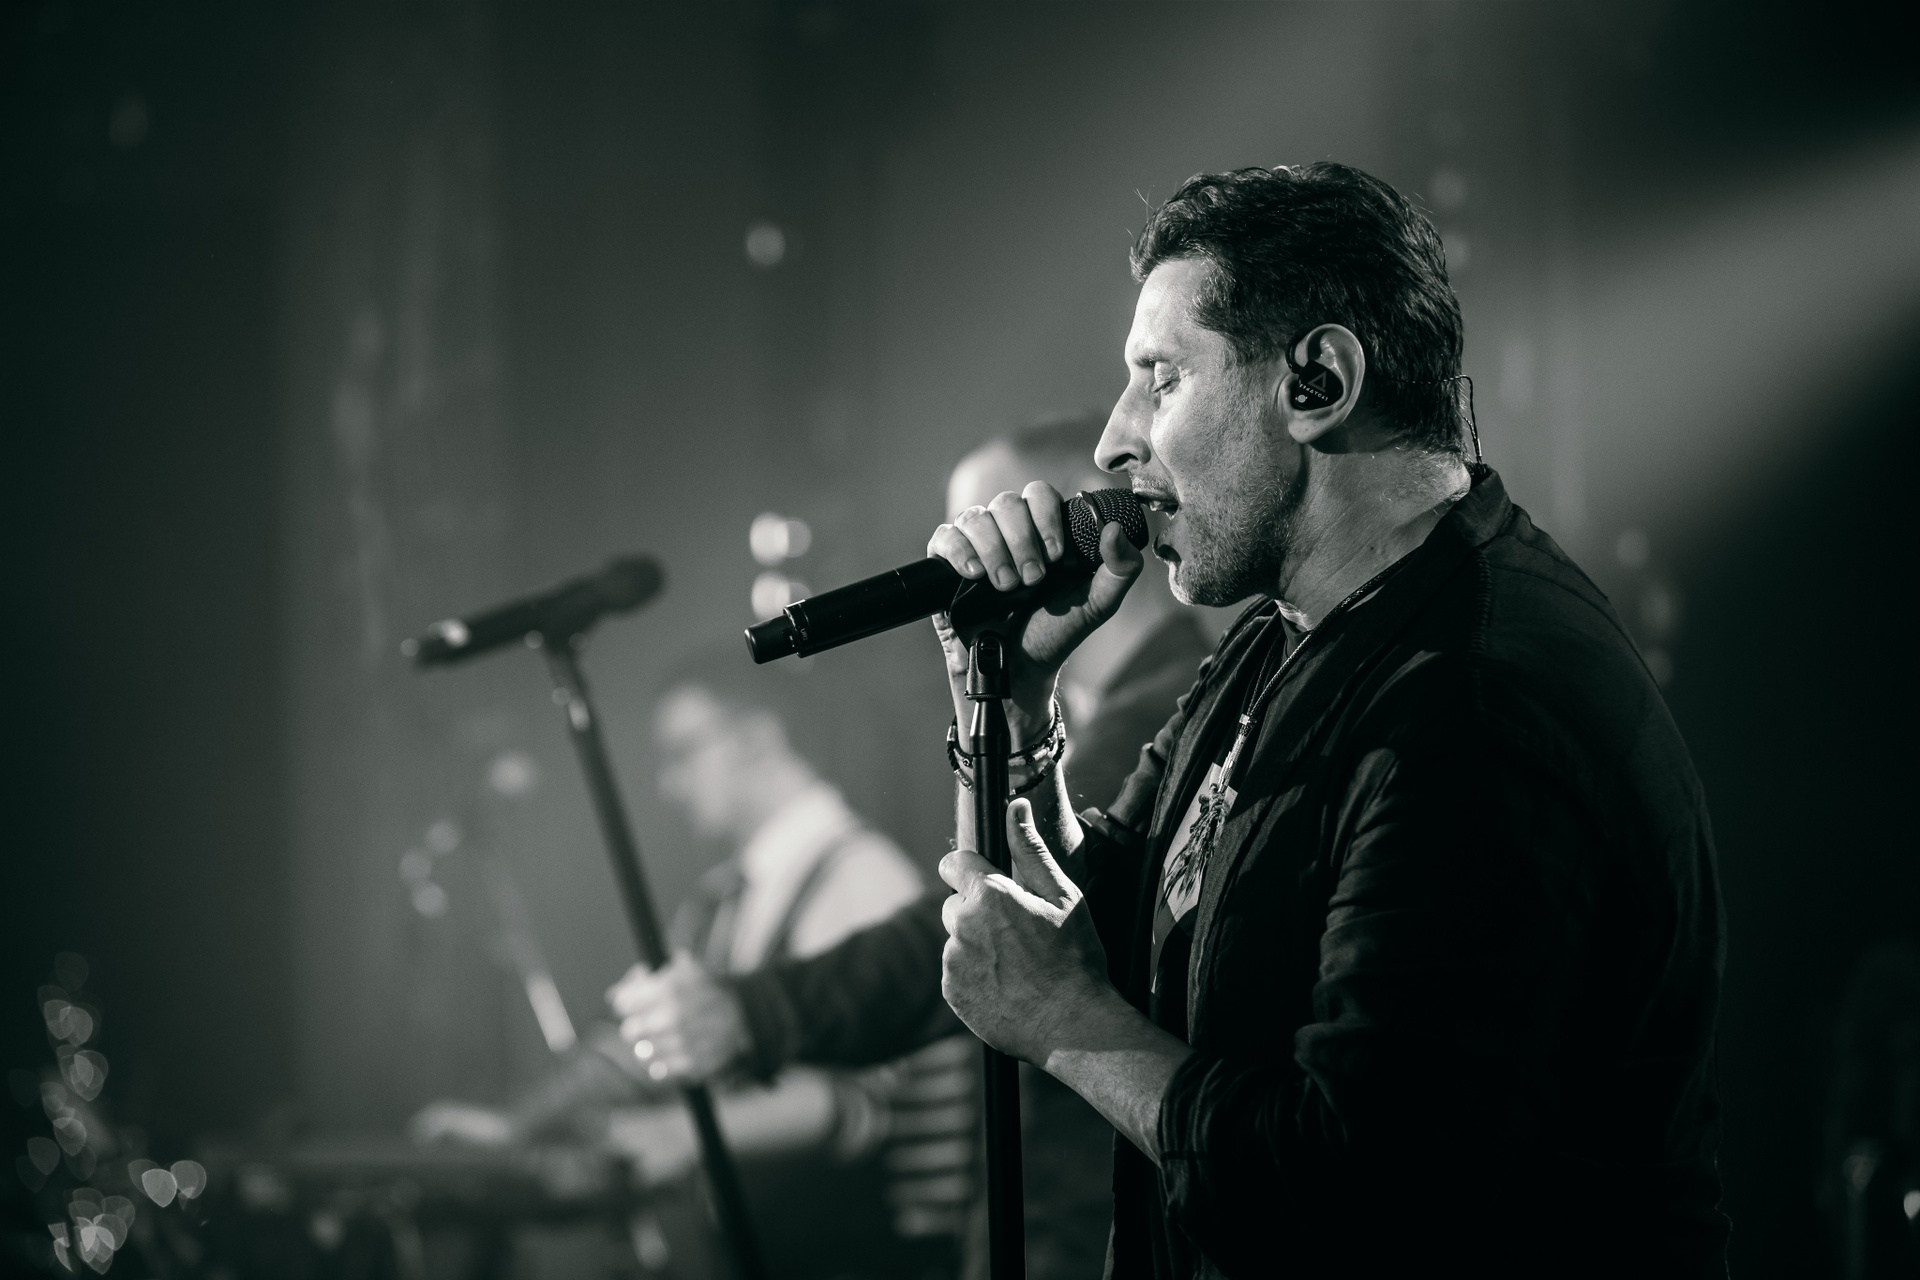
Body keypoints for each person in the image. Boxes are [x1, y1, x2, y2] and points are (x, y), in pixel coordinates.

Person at [627, 162, 1730, 1278]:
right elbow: (1097, 913)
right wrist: (1010, 701)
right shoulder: (1283, 639)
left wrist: (1067, 1026)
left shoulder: (1474, 703)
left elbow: (1359, 1187)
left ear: (1318, 381)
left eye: (1160, 379)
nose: (1115, 441)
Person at [614, 416, 1213, 1280]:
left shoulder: (1162, 712)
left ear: (1079, 526)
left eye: (991, 522)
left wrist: (758, 1013)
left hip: (1092, 1223)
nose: (961, 553)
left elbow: (983, 929)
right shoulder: (1091, 713)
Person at [420, 665, 974, 1280]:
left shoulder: (859, 873)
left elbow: (850, 1102)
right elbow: (642, 1040)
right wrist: (517, 1126)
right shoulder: (720, 897)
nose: (669, 784)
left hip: (869, 1258)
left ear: (757, 737)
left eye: (682, 753)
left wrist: (677, 1133)